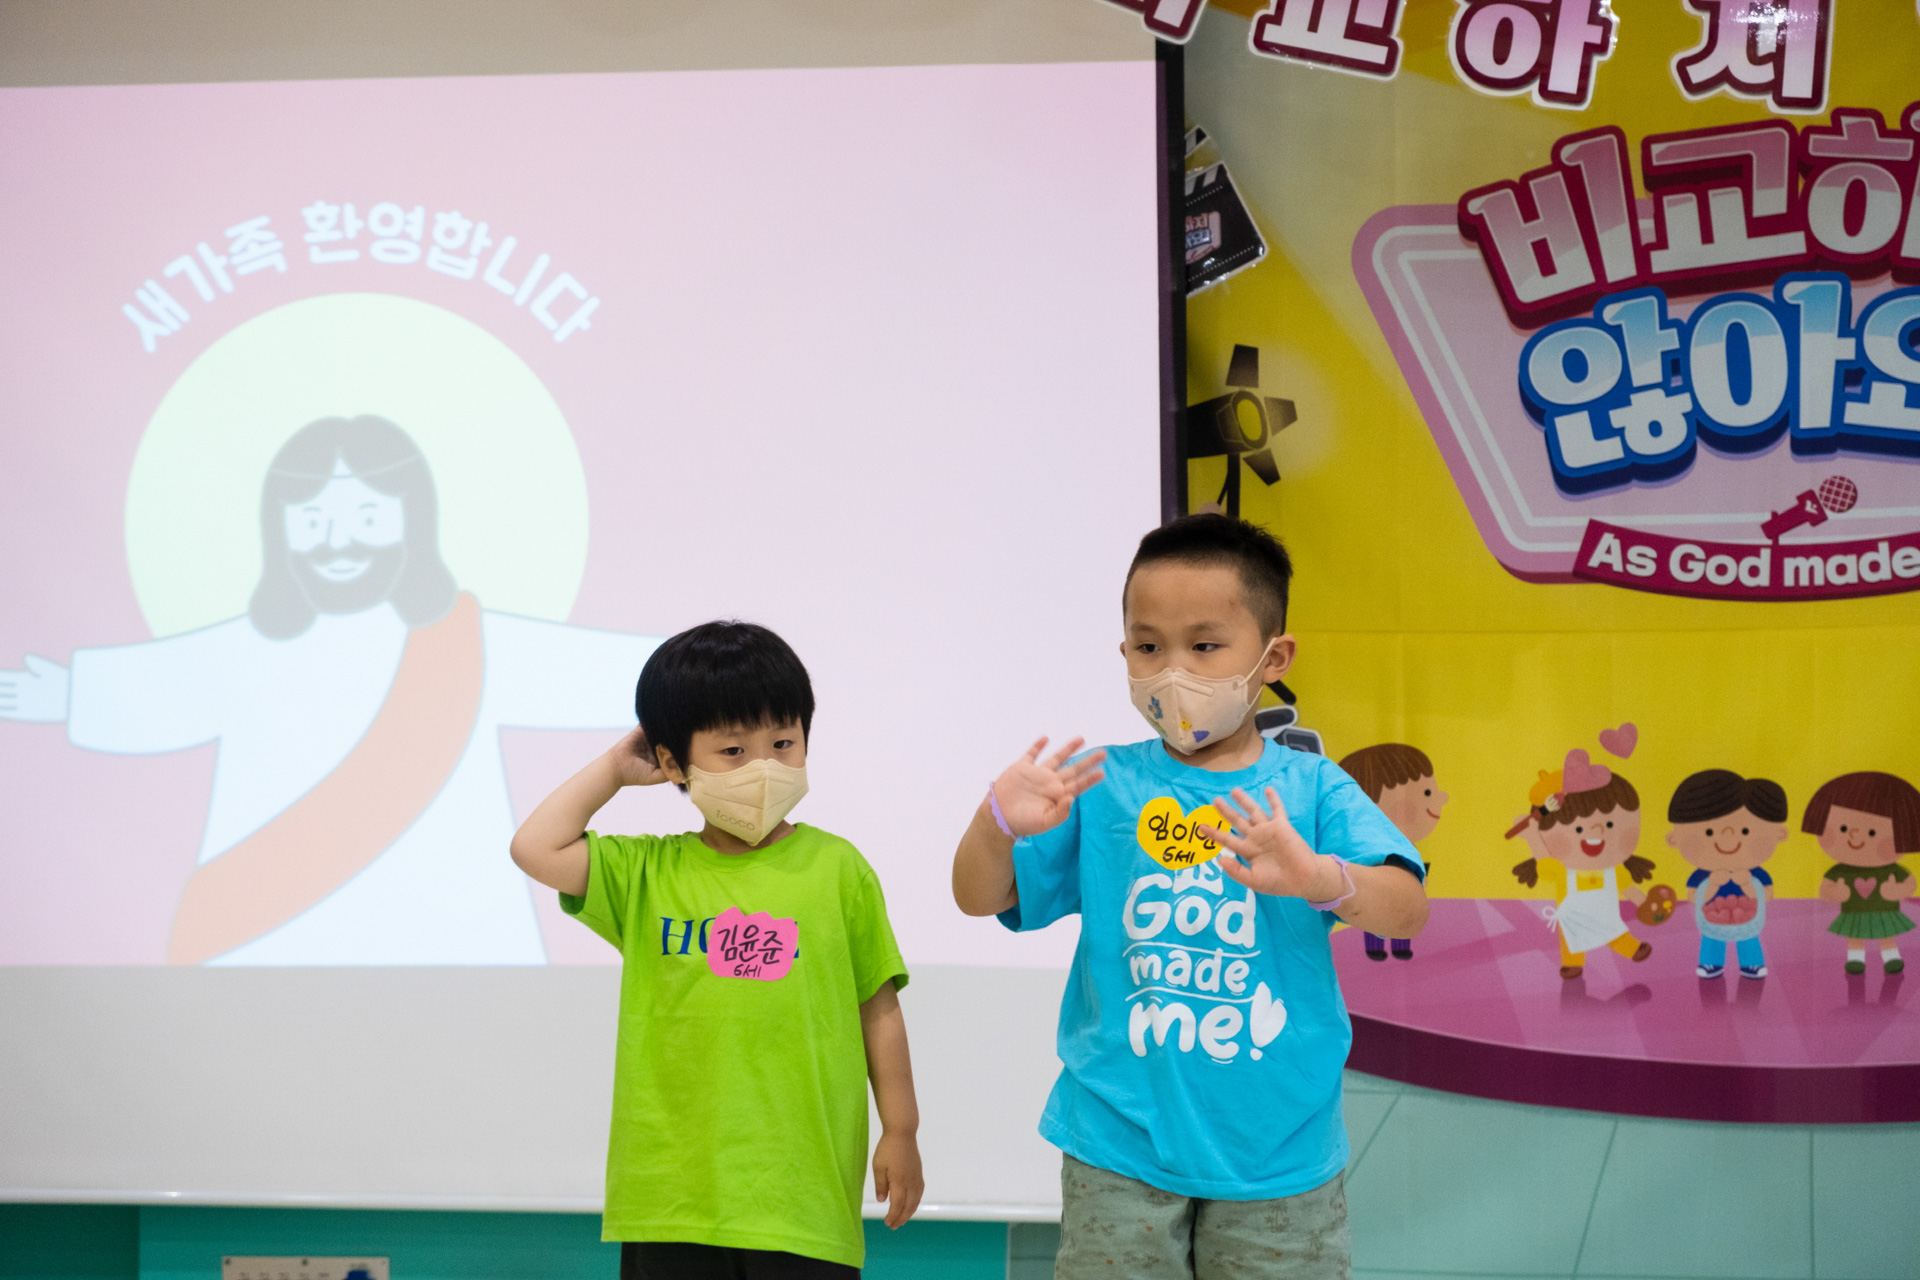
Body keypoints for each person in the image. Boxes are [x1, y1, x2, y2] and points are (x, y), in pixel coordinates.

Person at [950, 514, 1428, 1280]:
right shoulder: (1102, 782)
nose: (1172, 670)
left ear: (1273, 657)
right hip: (1119, 1139)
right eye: (1149, 647)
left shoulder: (1311, 787)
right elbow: (980, 897)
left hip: (1279, 1149)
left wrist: (1320, 879)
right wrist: (993, 825)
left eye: (1204, 646)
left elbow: (1406, 907)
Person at [0, 414, 660, 964]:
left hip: (450, 926)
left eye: (368, 517)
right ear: (278, 527)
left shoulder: (467, 639)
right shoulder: (250, 645)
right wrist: (69, 693)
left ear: (411, 521)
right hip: (267, 927)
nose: (339, 542)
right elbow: (163, 682)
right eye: (312, 520)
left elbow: (598, 665)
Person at [510, 621, 921, 1278]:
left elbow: (878, 1008)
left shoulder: (840, 869)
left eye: (783, 743)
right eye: (732, 750)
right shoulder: (647, 873)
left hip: (802, 1201)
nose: (763, 767)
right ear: (673, 762)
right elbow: (535, 847)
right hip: (671, 1201)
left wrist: (901, 1130)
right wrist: (615, 768)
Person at [1509, 751, 1660, 979]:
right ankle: (1572, 963)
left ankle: (1632, 948)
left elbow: (1627, 887)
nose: (1596, 832)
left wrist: (1644, 903)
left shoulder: (1612, 869)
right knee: (1572, 937)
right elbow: (1544, 862)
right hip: (1573, 917)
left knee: (1613, 931)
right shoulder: (1563, 871)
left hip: (1605, 915)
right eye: (1578, 829)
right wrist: (1532, 837)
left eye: (1610, 825)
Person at [1665, 770, 1790, 979]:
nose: (1728, 837)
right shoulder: (1702, 875)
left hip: (1747, 918)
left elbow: (1767, 895)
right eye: (1709, 832)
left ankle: (1751, 963)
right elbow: (1693, 897)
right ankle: (1711, 963)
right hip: (1712, 917)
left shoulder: (1756, 873)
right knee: (1712, 937)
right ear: (1674, 839)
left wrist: (1748, 885)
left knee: (1748, 937)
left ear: (1780, 834)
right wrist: (1712, 885)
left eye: (1745, 831)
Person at [1337, 743, 1448, 959]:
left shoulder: (1408, 849)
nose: (1443, 798)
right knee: (1375, 912)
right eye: (1427, 792)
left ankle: (1400, 946)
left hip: (1406, 912)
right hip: (1368, 906)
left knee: (1404, 909)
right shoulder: (1363, 853)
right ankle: (1375, 947)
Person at [1805, 771, 1920, 974]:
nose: (1855, 837)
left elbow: (1910, 883)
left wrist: (1898, 890)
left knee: (1886, 934)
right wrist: (1835, 893)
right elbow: (1825, 889)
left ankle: (1892, 957)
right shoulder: (1840, 870)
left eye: (1872, 832)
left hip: (1885, 912)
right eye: (1843, 828)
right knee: (1855, 936)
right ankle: (1855, 959)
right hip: (1854, 912)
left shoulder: (1892, 869)